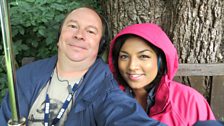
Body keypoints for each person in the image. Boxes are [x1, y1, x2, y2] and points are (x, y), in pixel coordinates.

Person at [0, 7, 165, 126]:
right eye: (72, 26)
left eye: (91, 31)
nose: (79, 35)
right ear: (59, 37)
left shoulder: (108, 85)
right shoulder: (26, 75)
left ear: (100, 45)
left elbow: (124, 116)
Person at [108, 23, 216, 126]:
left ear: (161, 61)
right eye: (124, 57)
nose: (131, 66)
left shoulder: (189, 101)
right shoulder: (108, 99)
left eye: (143, 56)